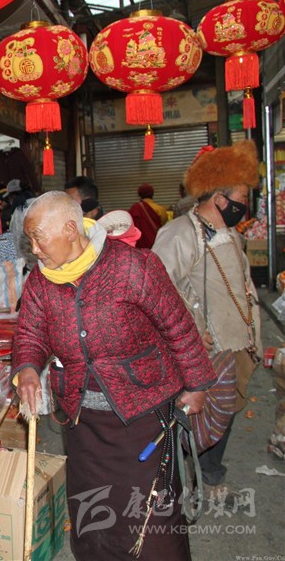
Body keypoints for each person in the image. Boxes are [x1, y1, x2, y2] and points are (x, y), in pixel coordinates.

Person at [13, 191, 214, 560]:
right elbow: (30, 333)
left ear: (70, 229)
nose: (35, 250)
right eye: (31, 241)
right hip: (83, 424)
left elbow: (178, 325)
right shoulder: (40, 281)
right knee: (95, 515)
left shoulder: (133, 266)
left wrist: (197, 385)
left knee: (151, 517)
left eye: (39, 238)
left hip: (143, 419)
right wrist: (27, 368)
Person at [151, 140, 262, 493]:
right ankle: (185, 479)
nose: (245, 205)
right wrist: (193, 331)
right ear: (220, 198)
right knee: (199, 417)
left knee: (225, 412)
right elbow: (158, 289)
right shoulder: (179, 234)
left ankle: (210, 472)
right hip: (203, 348)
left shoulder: (230, 235)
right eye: (241, 197)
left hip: (235, 341)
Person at [129, 184, 168, 249]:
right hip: (156, 243)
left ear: (139, 195)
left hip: (140, 245)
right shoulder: (160, 209)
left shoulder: (134, 209)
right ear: (152, 194)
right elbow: (164, 226)